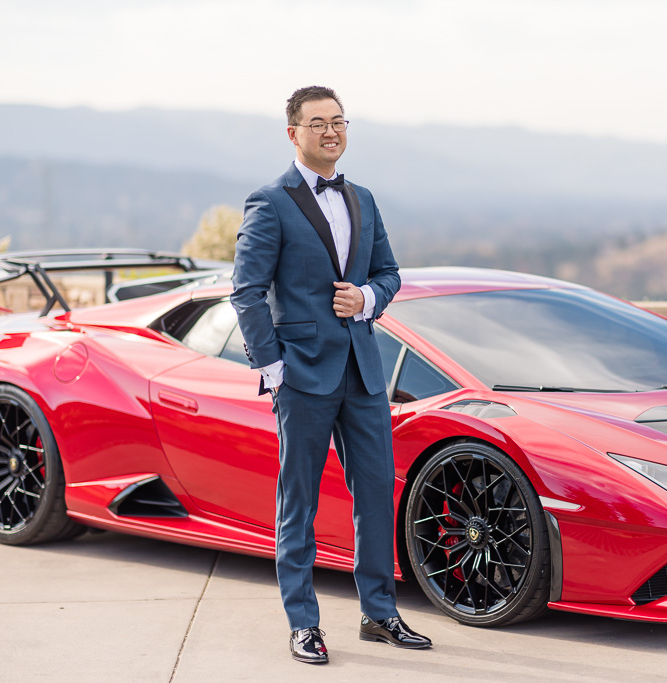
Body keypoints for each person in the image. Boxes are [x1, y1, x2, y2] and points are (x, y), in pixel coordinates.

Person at [230, 86, 431, 664]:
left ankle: (380, 614)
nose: (331, 131)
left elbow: (389, 273)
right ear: (293, 133)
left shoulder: (363, 198)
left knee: (374, 496)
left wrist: (366, 298)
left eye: (339, 121)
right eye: (317, 123)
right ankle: (302, 622)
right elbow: (245, 291)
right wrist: (272, 368)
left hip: (364, 374)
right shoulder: (270, 201)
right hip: (301, 376)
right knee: (300, 502)